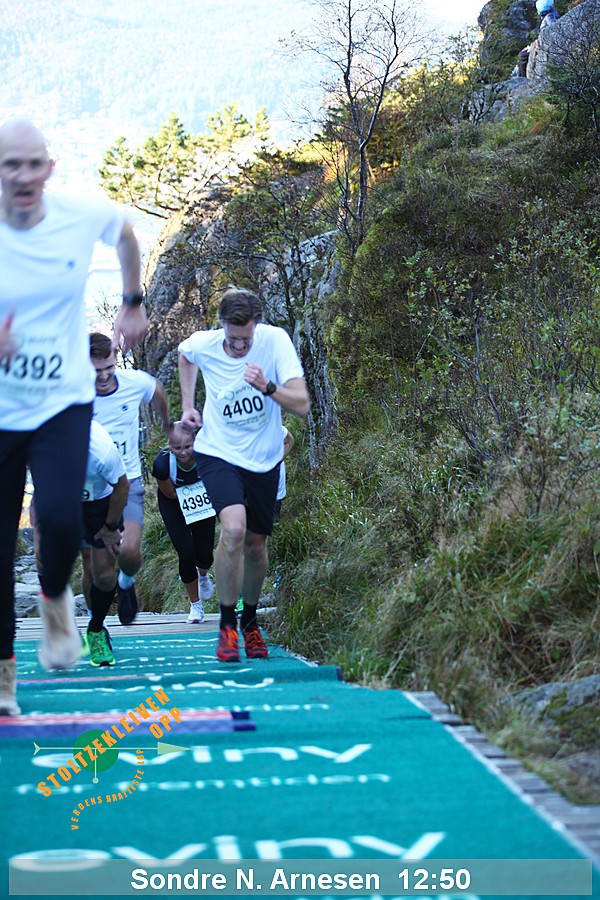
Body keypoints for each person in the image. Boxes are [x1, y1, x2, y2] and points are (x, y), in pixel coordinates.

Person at [0, 118, 147, 716]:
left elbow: (126, 236)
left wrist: (132, 303)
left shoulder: (78, 215)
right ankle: (4, 676)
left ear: (50, 168)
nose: (23, 176)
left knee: (60, 516)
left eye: (33, 163)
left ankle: (55, 594)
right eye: (10, 165)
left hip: (62, 400)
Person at [178, 287, 310, 662]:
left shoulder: (274, 342)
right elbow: (185, 356)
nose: (238, 347)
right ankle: (226, 625)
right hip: (218, 451)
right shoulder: (205, 343)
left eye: (245, 340)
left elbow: (302, 404)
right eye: (232, 339)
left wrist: (268, 386)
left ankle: (249, 622)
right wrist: (188, 405)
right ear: (221, 325)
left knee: (255, 545)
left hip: (264, 458)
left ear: (257, 326)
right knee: (233, 529)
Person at [87, 332, 169, 626]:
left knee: (130, 552)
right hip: (91, 488)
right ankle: (96, 626)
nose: (104, 376)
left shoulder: (133, 382)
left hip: (129, 479)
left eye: (109, 367)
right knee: (94, 567)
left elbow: (157, 390)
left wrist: (167, 424)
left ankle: (126, 582)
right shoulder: (75, 393)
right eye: (96, 370)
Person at [151, 421, 216, 625]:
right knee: (186, 553)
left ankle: (203, 575)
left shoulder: (207, 454)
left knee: (205, 554)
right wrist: (192, 494)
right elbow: (170, 493)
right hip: (173, 502)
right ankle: (195, 605)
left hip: (201, 499)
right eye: (177, 448)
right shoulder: (162, 464)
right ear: (169, 446)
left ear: (195, 441)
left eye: (187, 446)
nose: (183, 452)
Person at [81, 420, 129, 666]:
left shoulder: (101, 449)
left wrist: (110, 528)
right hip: (65, 502)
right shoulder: (42, 440)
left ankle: (95, 625)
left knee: (105, 574)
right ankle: (97, 630)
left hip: (101, 503)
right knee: (87, 562)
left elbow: (122, 487)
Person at [273, 426, 294, 524]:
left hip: (275, 469)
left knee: (277, 494)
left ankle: (275, 522)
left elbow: (290, 440)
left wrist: (279, 459)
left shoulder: (276, 427)